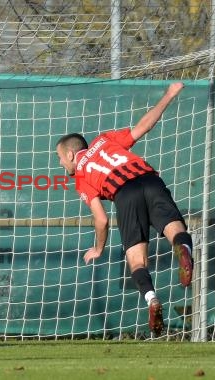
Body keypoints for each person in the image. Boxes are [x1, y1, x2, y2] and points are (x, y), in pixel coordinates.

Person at [55, 82, 193, 337]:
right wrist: (170, 94)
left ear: (72, 154)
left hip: (124, 194)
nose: (61, 164)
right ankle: (183, 248)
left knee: (136, 260)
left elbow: (101, 220)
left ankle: (152, 299)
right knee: (176, 229)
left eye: (61, 158)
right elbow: (144, 126)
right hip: (150, 180)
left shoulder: (81, 177)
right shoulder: (104, 140)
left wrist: (98, 248)